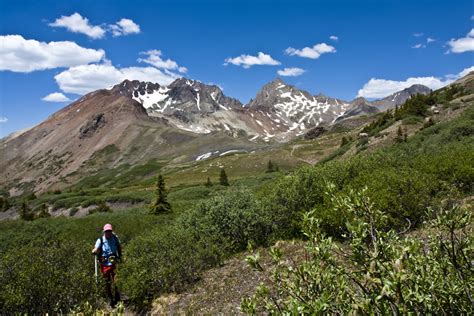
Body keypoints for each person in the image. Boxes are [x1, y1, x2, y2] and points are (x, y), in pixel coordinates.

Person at [92, 223, 122, 307]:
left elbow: (119, 247)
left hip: (114, 262)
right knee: (107, 282)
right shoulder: (100, 240)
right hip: (104, 263)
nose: (108, 232)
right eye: (107, 231)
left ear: (111, 231)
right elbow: (96, 248)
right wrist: (94, 251)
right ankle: (110, 298)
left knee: (116, 280)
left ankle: (117, 296)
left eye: (109, 231)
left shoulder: (115, 238)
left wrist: (120, 256)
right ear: (104, 231)